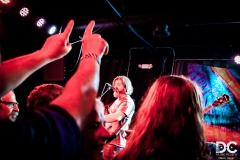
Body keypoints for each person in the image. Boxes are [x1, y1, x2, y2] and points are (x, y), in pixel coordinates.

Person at [0, 19, 109, 159]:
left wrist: (44, 54)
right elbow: (81, 101)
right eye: (93, 125)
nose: (107, 133)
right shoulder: (16, 142)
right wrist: (92, 55)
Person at [114, 75, 209, 160]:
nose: (115, 87)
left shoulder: (128, 155)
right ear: (191, 111)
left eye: (118, 84)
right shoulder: (195, 154)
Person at [103, 75, 135, 160]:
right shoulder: (118, 100)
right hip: (109, 140)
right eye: (114, 84)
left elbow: (117, 117)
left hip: (115, 142)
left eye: (118, 84)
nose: (115, 87)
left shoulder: (127, 101)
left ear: (125, 87)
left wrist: (99, 117)